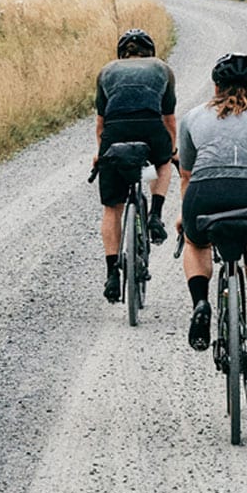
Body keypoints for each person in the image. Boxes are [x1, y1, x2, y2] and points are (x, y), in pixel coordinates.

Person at [175, 52, 247, 391]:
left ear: (215, 86)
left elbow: (187, 175)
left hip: (205, 194)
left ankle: (201, 302)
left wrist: (185, 214)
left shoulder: (193, 116)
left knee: (196, 242)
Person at [94, 28, 177, 303]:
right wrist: (172, 150)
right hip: (150, 130)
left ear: (121, 55)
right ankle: (155, 213)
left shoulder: (106, 71)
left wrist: (101, 154)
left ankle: (111, 275)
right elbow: (169, 119)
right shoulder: (161, 69)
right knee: (161, 163)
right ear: (150, 53)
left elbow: (100, 124)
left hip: (115, 134)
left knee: (112, 208)